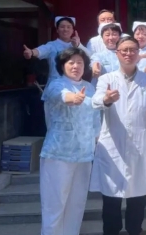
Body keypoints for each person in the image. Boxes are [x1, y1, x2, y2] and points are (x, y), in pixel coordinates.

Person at [90, 37, 146, 235]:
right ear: (117, 53)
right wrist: (106, 99)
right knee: (111, 198)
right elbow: (95, 101)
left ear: (138, 53)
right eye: (124, 50)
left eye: (132, 50)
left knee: (138, 197)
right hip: (114, 145)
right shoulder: (106, 79)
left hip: (140, 144)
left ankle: (135, 230)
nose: (128, 53)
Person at [39, 47, 100, 235]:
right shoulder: (55, 85)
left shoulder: (90, 88)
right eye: (71, 62)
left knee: (77, 205)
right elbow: (63, 96)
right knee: (54, 205)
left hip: (84, 155)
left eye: (80, 62)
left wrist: (96, 142)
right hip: (58, 154)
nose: (76, 66)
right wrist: (74, 98)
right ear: (62, 65)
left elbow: (95, 120)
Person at [23, 16, 89, 101]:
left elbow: (90, 57)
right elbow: (40, 50)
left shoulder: (77, 46)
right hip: (56, 86)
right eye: (62, 27)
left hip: (75, 85)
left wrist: (78, 45)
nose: (65, 29)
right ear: (57, 30)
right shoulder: (52, 45)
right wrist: (31, 52)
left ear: (73, 30)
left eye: (68, 27)